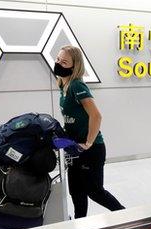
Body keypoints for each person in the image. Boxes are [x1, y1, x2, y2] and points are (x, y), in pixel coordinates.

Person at [54, 45, 125, 218]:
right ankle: (80, 227)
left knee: (95, 191)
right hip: (75, 149)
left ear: (74, 66)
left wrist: (88, 143)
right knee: (76, 192)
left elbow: (96, 116)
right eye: (57, 59)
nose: (58, 64)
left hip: (91, 150)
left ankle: (125, 216)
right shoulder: (62, 84)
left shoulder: (77, 85)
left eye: (64, 62)